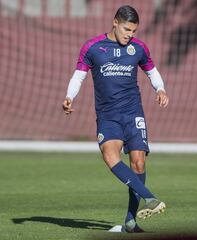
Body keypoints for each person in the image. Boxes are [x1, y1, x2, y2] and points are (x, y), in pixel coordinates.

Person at [62, 5, 169, 233]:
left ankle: (130, 221)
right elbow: (79, 76)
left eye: (134, 31)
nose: (130, 35)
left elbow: (152, 71)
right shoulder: (93, 48)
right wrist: (69, 96)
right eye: (127, 29)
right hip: (107, 115)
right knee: (110, 157)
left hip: (133, 112)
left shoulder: (138, 48)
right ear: (115, 22)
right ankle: (150, 198)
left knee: (139, 162)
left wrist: (160, 89)